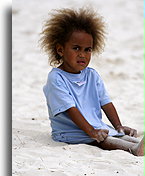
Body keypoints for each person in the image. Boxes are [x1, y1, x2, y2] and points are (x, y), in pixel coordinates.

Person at [40, 8, 144, 156]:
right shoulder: (56, 78)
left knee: (119, 135)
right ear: (60, 50)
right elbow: (71, 110)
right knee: (105, 139)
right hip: (69, 132)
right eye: (76, 48)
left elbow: (106, 102)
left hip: (94, 126)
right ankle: (133, 150)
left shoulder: (92, 75)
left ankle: (134, 144)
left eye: (87, 49)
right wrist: (92, 132)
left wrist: (118, 126)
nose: (82, 54)